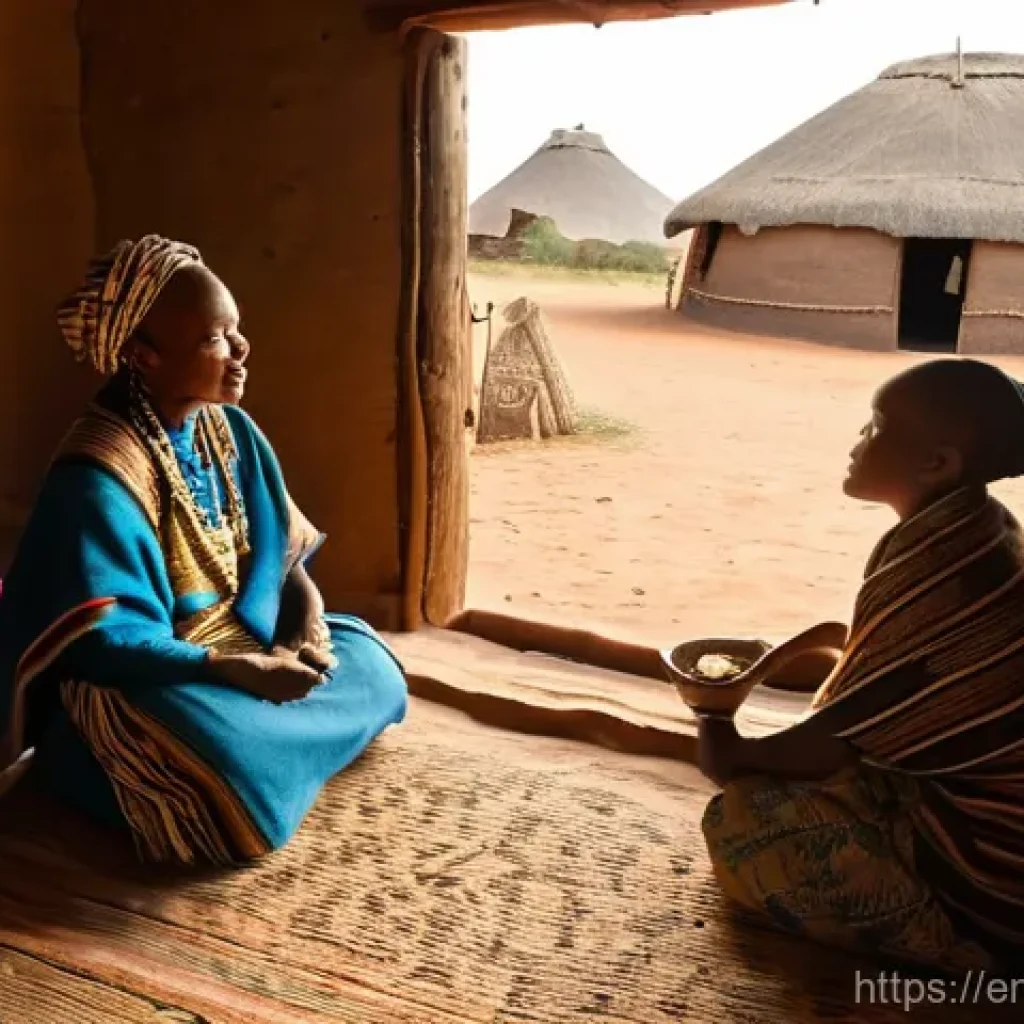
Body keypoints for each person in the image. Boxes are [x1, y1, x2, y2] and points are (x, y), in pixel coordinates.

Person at [0, 235, 408, 866]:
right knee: (222, 767)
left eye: (236, 329)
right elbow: (106, 641)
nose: (241, 351)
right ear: (143, 355)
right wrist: (230, 669)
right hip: (159, 675)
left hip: (248, 646)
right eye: (215, 337)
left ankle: (281, 753)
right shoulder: (99, 472)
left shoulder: (230, 428)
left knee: (375, 666)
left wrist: (305, 623)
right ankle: (251, 762)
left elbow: (285, 556)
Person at [698, 358, 1024, 972]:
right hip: (967, 803)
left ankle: (957, 946)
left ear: (937, 464)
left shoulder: (942, 572)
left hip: (997, 872)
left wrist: (719, 725)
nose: (857, 443)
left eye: (874, 427)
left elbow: (811, 748)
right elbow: (901, 677)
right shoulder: (977, 529)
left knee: (742, 824)